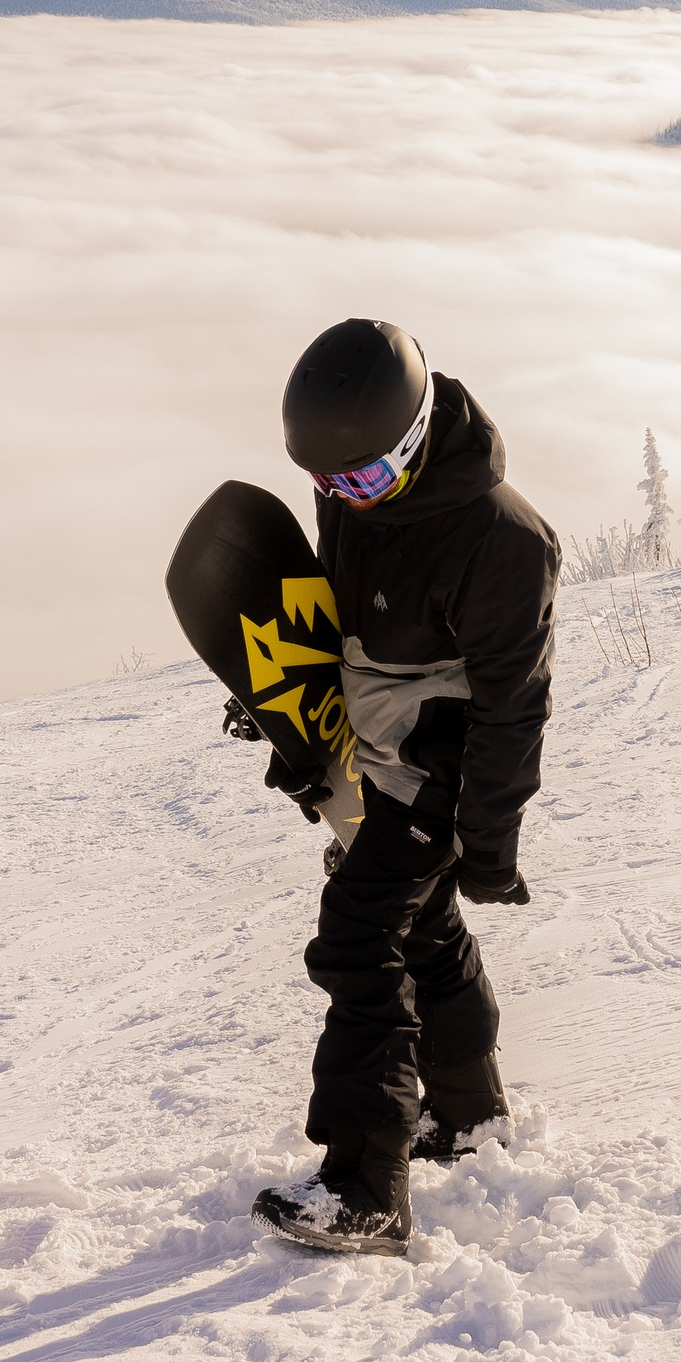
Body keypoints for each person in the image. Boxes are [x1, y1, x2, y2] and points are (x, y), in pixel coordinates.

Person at [250, 320, 560, 1256]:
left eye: (368, 479)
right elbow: (331, 616)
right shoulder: (353, 487)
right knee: (420, 926)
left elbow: (515, 708)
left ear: (420, 436)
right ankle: (469, 1114)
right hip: (375, 744)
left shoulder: (503, 539)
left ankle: (366, 1182)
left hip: (442, 765)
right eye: (331, 483)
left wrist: (489, 841)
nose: (349, 499)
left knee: (358, 933)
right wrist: (296, 721)